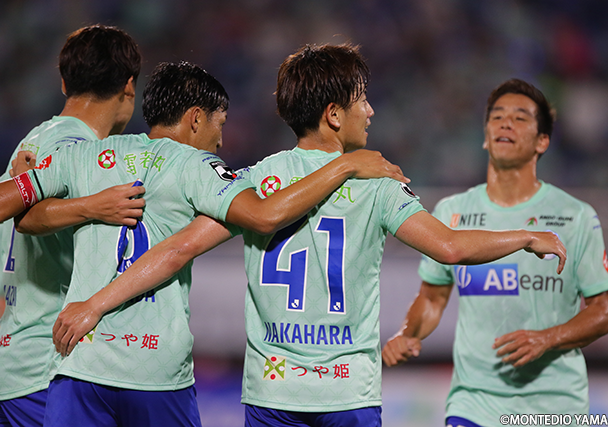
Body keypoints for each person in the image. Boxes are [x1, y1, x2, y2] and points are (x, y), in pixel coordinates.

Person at [46, 46, 567, 427]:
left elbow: (178, 248)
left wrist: (96, 304)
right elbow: (450, 247)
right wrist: (523, 238)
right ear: (334, 114)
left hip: (272, 393)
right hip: (347, 395)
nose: (371, 111)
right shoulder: (377, 181)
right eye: (363, 100)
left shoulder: (255, 180)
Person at [0, 60, 407, 427]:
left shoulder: (86, 156)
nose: (221, 141)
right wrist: (345, 165)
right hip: (156, 372)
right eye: (221, 124)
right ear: (196, 119)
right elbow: (263, 215)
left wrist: (85, 207)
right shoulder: (199, 167)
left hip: (80, 360)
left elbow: (21, 216)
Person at [382, 79, 608, 427]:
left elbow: (604, 311)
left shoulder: (575, 216)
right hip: (474, 404)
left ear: (542, 141)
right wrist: (408, 333)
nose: (505, 123)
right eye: (497, 117)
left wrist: (548, 339)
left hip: (555, 405)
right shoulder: (452, 212)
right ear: (485, 136)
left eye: (520, 118)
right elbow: (432, 298)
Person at [0, 24, 143, 427]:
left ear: (64, 83)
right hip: (45, 366)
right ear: (129, 86)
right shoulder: (77, 149)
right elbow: (27, 218)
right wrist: (96, 206)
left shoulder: (32, 141)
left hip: (15, 360)